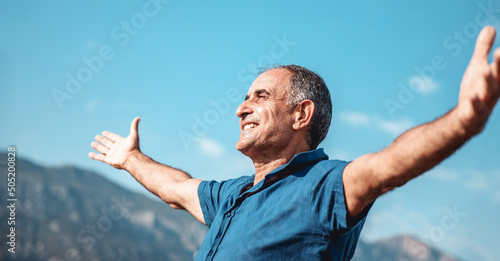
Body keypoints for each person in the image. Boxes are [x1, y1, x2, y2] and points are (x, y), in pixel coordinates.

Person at [90, 26, 500, 260]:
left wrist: (464, 120)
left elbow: (388, 166)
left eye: (260, 97)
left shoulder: (323, 187)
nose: (240, 108)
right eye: (246, 96)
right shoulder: (233, 196)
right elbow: (177, 190)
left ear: (301, 115)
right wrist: (130, 158)